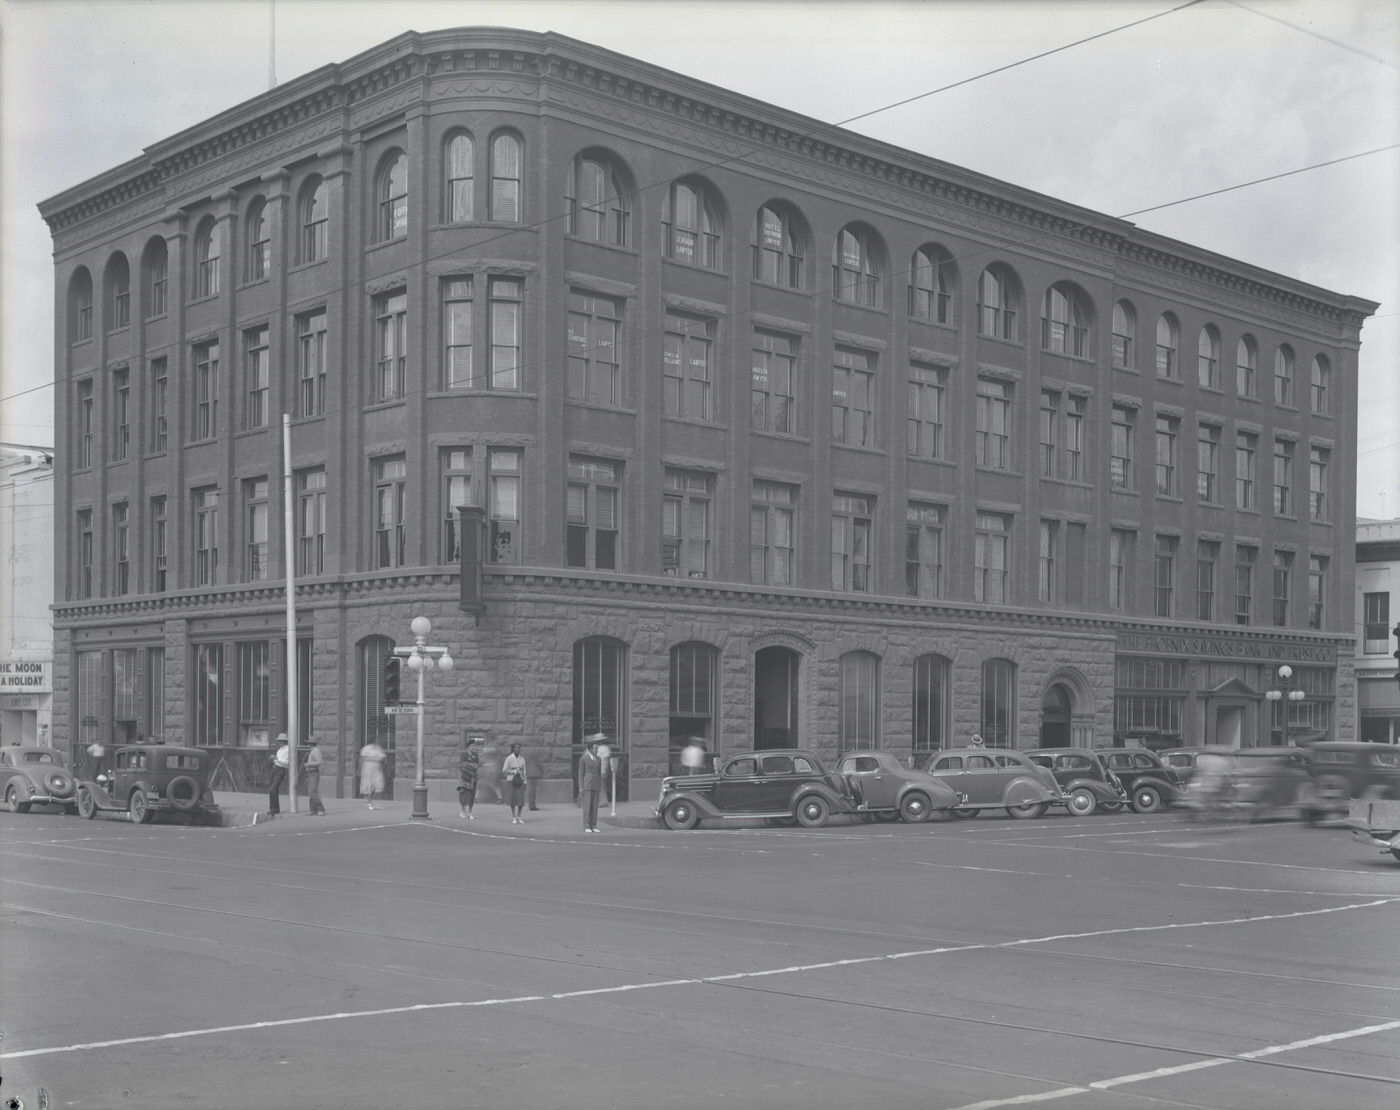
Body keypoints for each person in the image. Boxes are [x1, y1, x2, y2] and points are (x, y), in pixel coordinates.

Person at [578, 733, 606, 832]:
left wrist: (600, 785)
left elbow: (599, 773)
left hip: (596, 784)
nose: (597, 750)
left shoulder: (599, 759)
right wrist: (581, 786)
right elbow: (580, 773)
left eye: (597, 748)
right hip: (587, 783)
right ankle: (586, 825)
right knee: (587, 806)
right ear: (590, 749)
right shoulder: (584, 759)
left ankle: (594, 825)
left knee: (594, 806)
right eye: (595, 748)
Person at [502, 743, 528, 823]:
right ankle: (514, 817)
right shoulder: (509, 758)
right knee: (512, 800)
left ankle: (519, 816)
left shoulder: (522, 759)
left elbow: (524, 771)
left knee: (521, 800)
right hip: (511, 781)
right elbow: (504, 771)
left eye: (519, 748)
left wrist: (525, 782)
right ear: (513, 749)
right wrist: (513, 772)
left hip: (520, 781)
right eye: (516, 748)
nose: (518, 749)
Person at [457, 736, 481, 819]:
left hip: (473, 778)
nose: (474, 747)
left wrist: (469, 765)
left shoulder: (476, 755)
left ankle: (470, 812)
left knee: (472, 795)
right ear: (469, 746)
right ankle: (463, 810)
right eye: (473, 745)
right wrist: (471, 766)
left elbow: (477, 766)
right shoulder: (464, 754)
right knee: (463, 794)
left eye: (475, 745)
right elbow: (463, 765)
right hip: (464, 777)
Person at [267, 734, 290, 816]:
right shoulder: (279, 750)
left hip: (281, 770)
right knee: (273, 790)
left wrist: (277, 759)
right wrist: (274, 760)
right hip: (275, 768)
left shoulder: (288, 750)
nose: (280, 742)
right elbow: (278, 761)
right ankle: (274, 808)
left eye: (281, 741)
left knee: (272, 789)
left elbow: (287, 762)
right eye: (279, 741)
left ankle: (274, 808)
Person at [360, 739, 387, 810]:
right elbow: (362, 759)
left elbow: (383, 759)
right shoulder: (366, 748)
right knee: (369, 784)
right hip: (368, 769)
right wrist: (360, 769)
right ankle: (370, 802)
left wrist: (381, 767)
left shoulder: (379, 749)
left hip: (376, 768)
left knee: (379, 784)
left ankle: (372, 800)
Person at [304, 738, 326, 815]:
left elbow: (319, 762)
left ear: (311, 744)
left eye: (309, 743)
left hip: (314, 773)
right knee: (311, 792)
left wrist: (308, 764)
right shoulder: (313, 751)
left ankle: (321, 809)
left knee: (312, 792)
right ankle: (313, 809)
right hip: (311, 773)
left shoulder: (315, 751)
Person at [525, 746, 544, 811]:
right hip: (535, 774)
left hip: (528, 775)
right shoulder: (536, 757)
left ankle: (531, 805)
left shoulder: (526, 757)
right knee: (533, 791)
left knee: (530, 791)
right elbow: (540, 765)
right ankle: (533, 805)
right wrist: (542, 772)